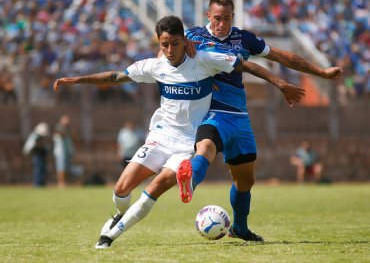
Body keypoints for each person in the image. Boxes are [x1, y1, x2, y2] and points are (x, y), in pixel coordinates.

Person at [54, 15, 304, 249]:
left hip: (187, 144)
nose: (171, 50)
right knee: (121, 189)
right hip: (160, 138)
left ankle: (108, 237)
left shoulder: (204, 59)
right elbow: (115, 76)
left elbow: (246, 66)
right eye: (165, 45)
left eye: (175, 43)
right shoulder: (154, 66)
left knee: (156, 186)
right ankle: (121, 213)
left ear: (185, 41)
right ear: (159, 44)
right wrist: (77, 80)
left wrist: (282, 85)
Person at [176, 0, 343, 242]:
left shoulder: (244, 38)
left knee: (246, 181)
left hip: (239, 117)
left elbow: (280, 56)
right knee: (205, 150)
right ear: (208, 15)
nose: (222, 24)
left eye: (228, 18)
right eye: (217, 18)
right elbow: (165, 59)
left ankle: (239, 228)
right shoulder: (191, 37)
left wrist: (320, 71)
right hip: (210, 113)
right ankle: (189, 182)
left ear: (233, 17)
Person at [23, 122, 50, 187]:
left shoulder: (39, 137)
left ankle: (41, 183)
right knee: (38, 169)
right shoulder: (35, 136)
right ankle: (37, 183)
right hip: (37, 155)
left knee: (42, 169)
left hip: (41, 155)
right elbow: (33, 146)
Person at [53, 115, 74, 188]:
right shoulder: (58, 127)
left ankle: (64, 181)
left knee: (66, 168)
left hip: (67, 151)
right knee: (61, 167)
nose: (68, 122)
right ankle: (60, 182)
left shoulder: (67, 129)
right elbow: (61, 134)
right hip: (60, 152)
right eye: (66, 120)